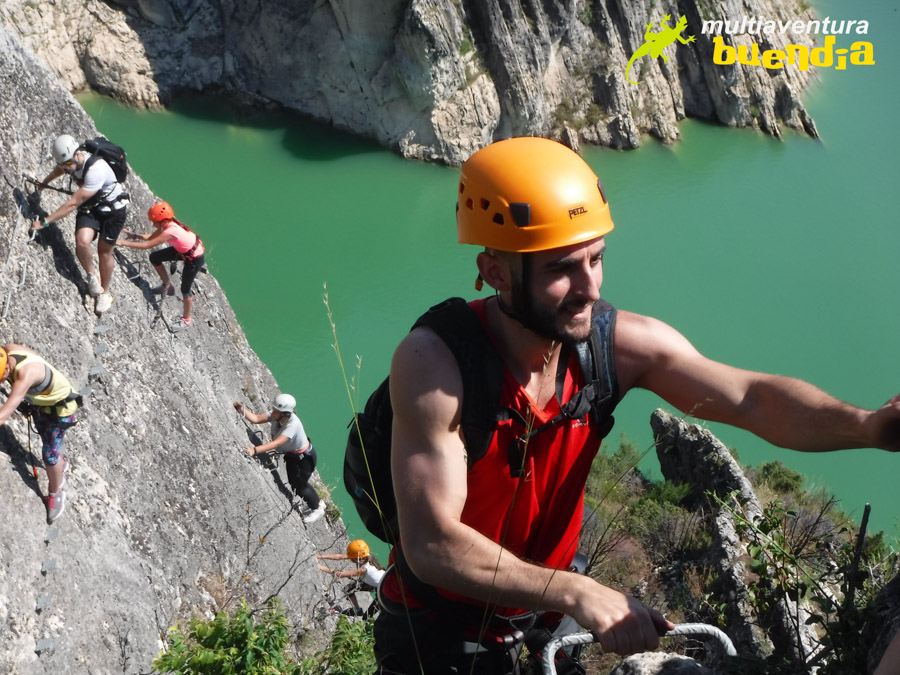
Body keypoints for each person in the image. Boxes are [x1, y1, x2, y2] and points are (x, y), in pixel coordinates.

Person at [375, 137, 900, 674]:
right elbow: (431, 542)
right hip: (441, 628)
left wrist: (866, 426)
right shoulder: (435, 365)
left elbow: (752, 400)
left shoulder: (612, 347)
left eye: (596, 258)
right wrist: (577, 592)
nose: (589, 287)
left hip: (543, 615)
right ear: (496, 272)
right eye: (561, 269)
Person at [31, 134, 129, 314]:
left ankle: (105, 293)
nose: (66, 168)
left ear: (77, 154)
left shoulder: (96, 169)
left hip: (113, 212)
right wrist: (44, 182)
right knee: (82, 242)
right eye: (64, 164)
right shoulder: (70, 163)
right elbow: (60, 169)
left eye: (68, 163)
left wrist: (45, 222)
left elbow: (73, 203)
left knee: (104, 252)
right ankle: (92, 276)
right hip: (93, 206)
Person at [0, 344, 80, 524]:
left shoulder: (26, 375)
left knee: (49, 455)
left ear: (6, 369)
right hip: (42, 405)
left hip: (61, 411)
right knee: (47, 439)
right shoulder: (7, 351)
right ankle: (60, 464)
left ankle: (55, 493)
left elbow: (3, 415)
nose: (3, 382)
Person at [233, 394, 325, 523]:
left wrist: (254, 450)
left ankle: (317, 508)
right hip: (294, 455)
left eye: (276, 411)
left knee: (300, 486)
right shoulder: (277, 415)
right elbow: (256, 419)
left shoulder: (293, 424)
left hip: (304, 459)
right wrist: (240, 408)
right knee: (296, 482)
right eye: (274, 409)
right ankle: (318, 503)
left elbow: (276, 443)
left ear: (285, 413)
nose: (273, 412)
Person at [116, 201, 205, 332]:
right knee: (155, 257)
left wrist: (123, 243)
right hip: (185, 252)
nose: (153, 224)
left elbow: (147, 245)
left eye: (154, 222)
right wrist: (133, 236)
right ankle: (167, 286)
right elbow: (150, 238)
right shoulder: (168, 224)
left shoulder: (170, 231)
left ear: (162, 221)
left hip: (194, 258)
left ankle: (187, 320)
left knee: (185, 289)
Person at [317, 539, 385, 617]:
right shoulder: (365, 555)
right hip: (380, 581)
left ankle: (363, 616)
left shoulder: (364, 569)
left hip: (384, 591)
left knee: (367, 617)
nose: (350, 558)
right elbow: (340, 557)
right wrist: (319, 556)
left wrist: (320, 566)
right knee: (348, 589)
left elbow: (340, 574)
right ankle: (357, 610)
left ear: (358, 558)